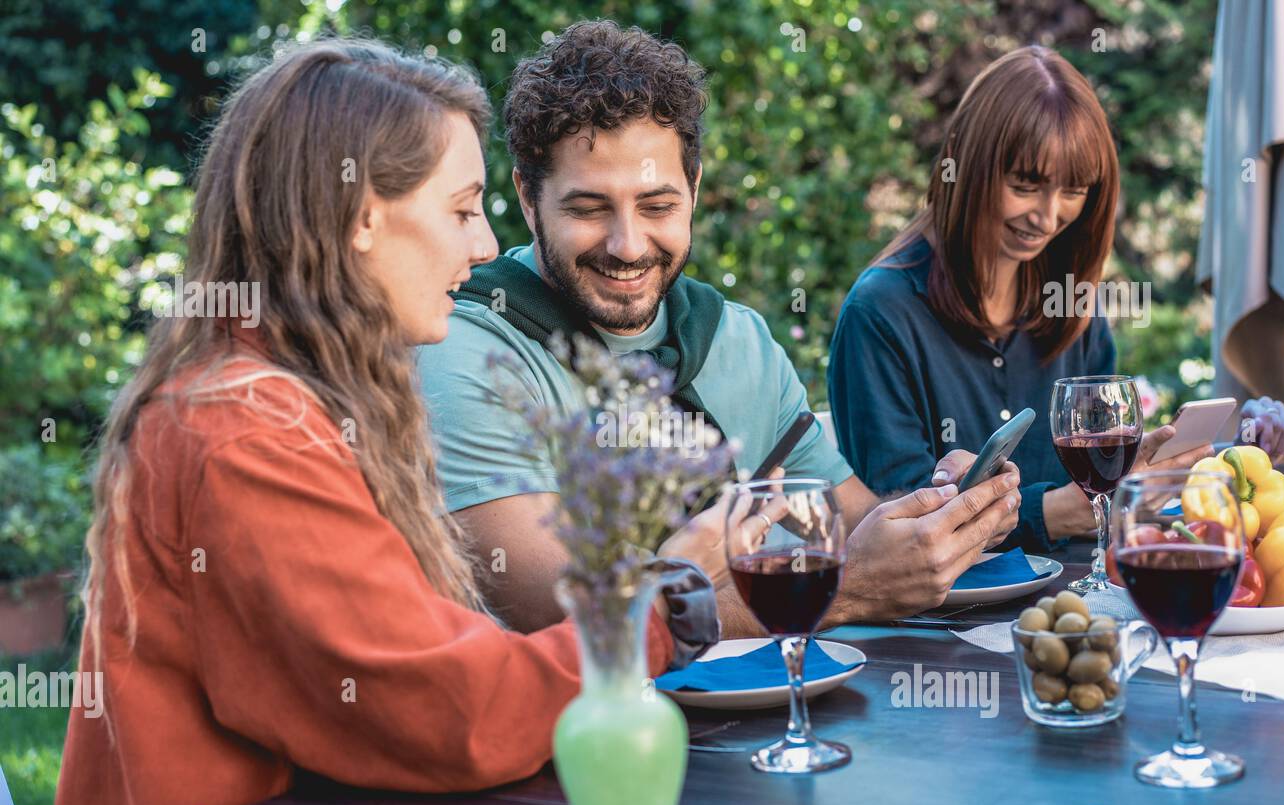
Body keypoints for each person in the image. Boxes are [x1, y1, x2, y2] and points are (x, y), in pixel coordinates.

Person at [47, 39, 721, 805]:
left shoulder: (302, 395)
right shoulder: (243, 432)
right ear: (363, 215)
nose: (482, 249)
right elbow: (450, 712)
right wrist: (667, 601)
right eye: (463, 208)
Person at [418, 20, 1021, 637]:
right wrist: (845, 592)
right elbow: (566, 619)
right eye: (589, 208)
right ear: (527, 198)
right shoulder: (466, 350)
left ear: (695, 189)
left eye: (658, 206)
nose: (628, 246)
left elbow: (850, 526)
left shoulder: (737, 339)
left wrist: (948, 514)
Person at [828, 46, 1284, 554]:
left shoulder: (1072, 302)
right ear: (966, 168)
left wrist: (1232, 458)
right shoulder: (880, 314)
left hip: (1077, 601)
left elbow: (1113, 485)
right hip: (938, 627)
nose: (1048, 217)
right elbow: (898, 529)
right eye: (1026, 185)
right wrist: (1054, 512)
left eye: (1074, 190)